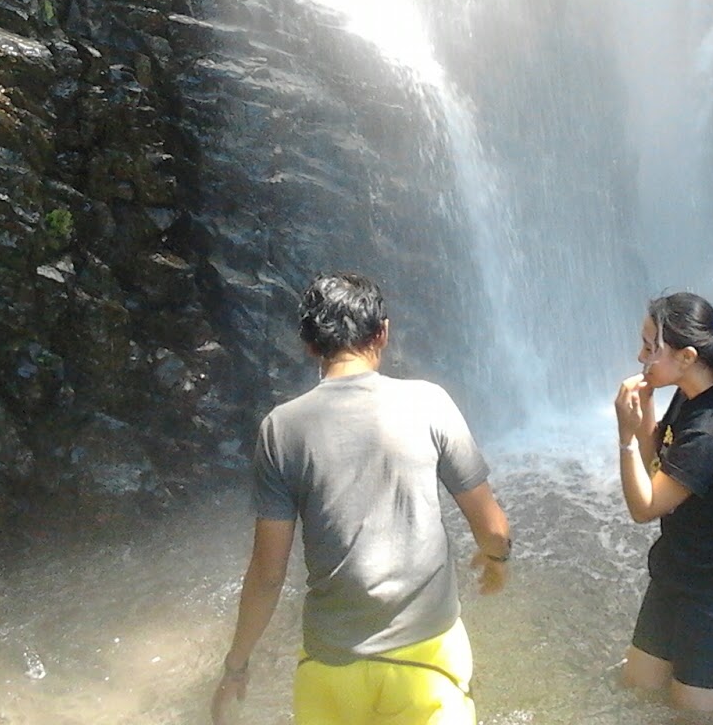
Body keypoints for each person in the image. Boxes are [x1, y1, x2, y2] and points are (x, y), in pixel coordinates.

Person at [212, 272, 513, 725]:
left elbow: (267, 574)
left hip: (331, 667)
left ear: (310, 344)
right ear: (383, 333)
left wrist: (237, 664)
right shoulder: (429, 403)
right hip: (428, 661)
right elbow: (492, 528)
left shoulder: (282, 428)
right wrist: (497, 560)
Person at [613, 291, 713, 714]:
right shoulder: (690, 394)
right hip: (677, 569)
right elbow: (654, 459)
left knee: (689, 713)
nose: (640, 355)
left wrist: (624, 438)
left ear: (685, 356)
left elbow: (645, 508)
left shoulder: (710, 432)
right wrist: (643, 410)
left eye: (650, 347)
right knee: (638, 689)